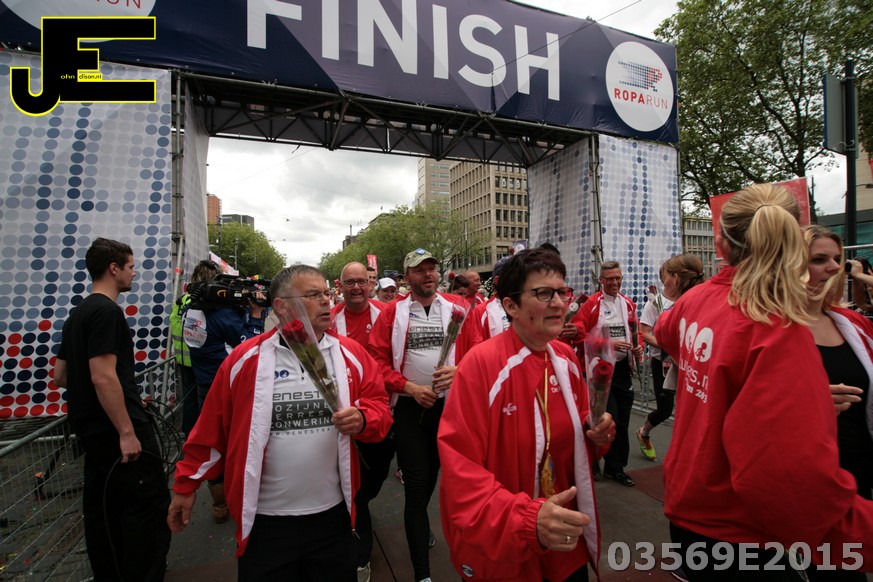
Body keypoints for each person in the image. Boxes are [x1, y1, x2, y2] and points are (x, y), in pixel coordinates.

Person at [655, 184, 873, 580]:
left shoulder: (698, 300)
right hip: (744, 532)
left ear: (721, 244)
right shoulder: (776, 327)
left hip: (690, 511)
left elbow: (667, 333)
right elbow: (788, 481)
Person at [167, 265, 392, 582]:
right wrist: (185, 486)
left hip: (332, 518)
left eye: (325, 293)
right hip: (265, 523)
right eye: (313, 295)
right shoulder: (245, 360)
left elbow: (380, 409)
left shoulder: (350, 354)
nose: (326, 301)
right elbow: (210, 431)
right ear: (282, 306)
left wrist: (364, 419)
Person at [438, 248, 615, 581]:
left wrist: (596, 432)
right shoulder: (481, 365)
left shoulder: (565, 358)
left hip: (563, 540)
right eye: (544, 293)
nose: (560, 303)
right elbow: (460, 467)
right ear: (511, 306)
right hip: (506, 548)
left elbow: (579, 446)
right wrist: (527, 521)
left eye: (563, 292)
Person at [53, 238, 170, 581]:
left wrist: (126, 396)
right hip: (119, 436)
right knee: (145, 514)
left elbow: (62, 376)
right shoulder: (107, 312)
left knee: (107, 519)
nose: (134, 273)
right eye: (131, 266)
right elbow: (102, 376)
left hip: (93, 436)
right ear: (113, 268)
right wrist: (126, 429)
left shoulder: (78, 314)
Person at [368, 248, 472, 582]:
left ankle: (423, 522)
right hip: (410, 409)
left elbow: (480, 353)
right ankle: (422, 575)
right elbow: (376, 363)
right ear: (407, 277)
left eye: (432, 269)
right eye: (419, 270)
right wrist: (409, 387)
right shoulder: (391, 313)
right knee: (416, 487)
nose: (428, 274)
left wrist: (460, 370)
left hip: (449, 408)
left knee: (434, 479)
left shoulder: (459, 308)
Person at [803, 226, 873, 582]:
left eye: (836, 258)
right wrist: (805, 404)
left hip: (861, 469)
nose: (833, 267)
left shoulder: (853, 323)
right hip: (814, 476)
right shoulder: (770, 328)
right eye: (819, 259)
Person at [182, 266, 267, 522]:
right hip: (231, 386)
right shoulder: (222, 315)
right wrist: (255, 314)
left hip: (204, 383)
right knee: (239, 441)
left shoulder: (190, 310)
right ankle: (242, 497)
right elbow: (251, 344)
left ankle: (219, 503)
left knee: (212, 442)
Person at [331, 262, 392, 582]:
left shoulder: (387, 314)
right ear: (340, 286)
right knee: (351, 490)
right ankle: (358, 552)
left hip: (382, 413)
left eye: (361, 282)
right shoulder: (330, 319)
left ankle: (359, 507)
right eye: (350, 282)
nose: (356, 287)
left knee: (370, 484)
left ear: (370, 284)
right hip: (345, 419)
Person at [576, 261, 642, 486]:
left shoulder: (628, 303)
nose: (615, 282)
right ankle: (593, 460)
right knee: (603, 418)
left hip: (622, 369)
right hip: (599, 370)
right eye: (610, 279)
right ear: (601, 280)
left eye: (618, 278)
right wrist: (608, 343)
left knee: (622, 420)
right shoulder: (592, 304)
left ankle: (615, 468)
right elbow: (580, 336)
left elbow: (636, 332)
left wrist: (638, 346)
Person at [636, 254, 704, 461]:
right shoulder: (656, 303)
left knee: (691, 411)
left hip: (692, 363)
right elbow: (644, 333)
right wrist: (668, 344)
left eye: (665, 276)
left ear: (675, 278)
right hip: (664, 363)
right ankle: (644, 432)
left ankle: (686, 453)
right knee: (665, 410)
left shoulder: (698, 298)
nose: (663, 280)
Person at [169, 259, 220, 435]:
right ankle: (202, 434)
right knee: (205, 399)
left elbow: (175, 323)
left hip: (183, 358)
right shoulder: (208, 300)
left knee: (189, 398)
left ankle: (189, 433)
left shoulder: (183, 299)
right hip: (201, 358)